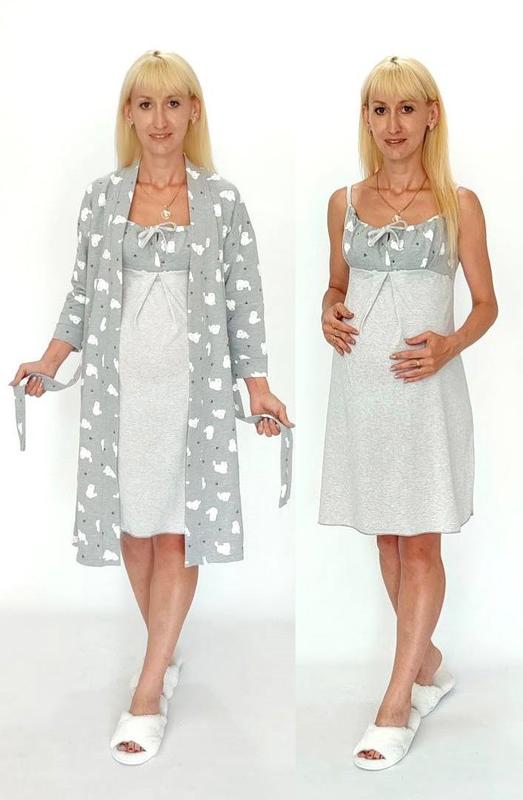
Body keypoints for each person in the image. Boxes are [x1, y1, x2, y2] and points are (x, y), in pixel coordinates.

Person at [9, 49, 294, 765]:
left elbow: (245, 302)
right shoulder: (103, 197)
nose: (160, 119)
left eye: (173, 103)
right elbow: (81, 292)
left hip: (193, 396)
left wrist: (257, 385)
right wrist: (50, 359)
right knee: (134, 532)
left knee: (175, 534)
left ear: (193, 111)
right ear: (128, 114)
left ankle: (147, 689)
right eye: (145, 104)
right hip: (119, 394)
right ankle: (162, 654)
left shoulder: (221, 200)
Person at [318, 55, 497, 771]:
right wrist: (327, 311)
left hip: (424, 391)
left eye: (406, 108)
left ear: (430, 115)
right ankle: (427, 664)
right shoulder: (343, 202)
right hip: (362, 390)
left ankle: (397, 700)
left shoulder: (459, 204)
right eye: (379, 109)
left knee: (420, 542)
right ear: (366, 119)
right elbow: (335, 288)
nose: (392, 124)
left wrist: (448, 344)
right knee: (387, 540)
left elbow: (486, 304)